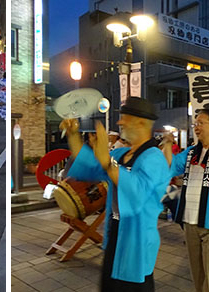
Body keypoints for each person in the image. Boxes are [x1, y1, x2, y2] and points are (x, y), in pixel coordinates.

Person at [62, 97, 170, 291]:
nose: (120, 123)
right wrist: (73, 136)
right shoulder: (122, 154)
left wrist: (107, 161)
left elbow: (137, 190)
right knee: (110, 285)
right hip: (116, 232)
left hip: (137, 238)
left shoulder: (154, 158)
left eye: (125, 118)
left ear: (141, 122)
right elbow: (93, 167)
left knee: (132, 285)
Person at [165, 109, 209, 292]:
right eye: (195, 124)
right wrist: (166, 144)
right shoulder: (191, 152)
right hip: (190, 221)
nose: (196, 127)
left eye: (200, 123)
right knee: (197, 273)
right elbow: (170, 167)